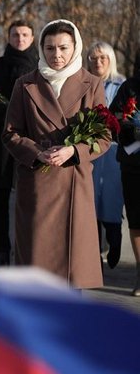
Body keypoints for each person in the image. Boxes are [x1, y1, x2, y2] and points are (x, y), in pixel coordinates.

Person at [2, 20, 109, 289]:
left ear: (75, 47)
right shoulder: (25, 84)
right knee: (37, 277)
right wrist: (38, 153)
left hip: (75, 181)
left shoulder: (92, 84)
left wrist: (74, 150)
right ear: (41, 48)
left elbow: (104, 135)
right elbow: (10, 133)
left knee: (73, 275)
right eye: (49, 48)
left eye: (63, 47)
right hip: (37, 183)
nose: (56, 55)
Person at [0, 20, 39, 266]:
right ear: (9, 37)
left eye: (25, 34)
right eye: (16, 34)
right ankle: (2, 251)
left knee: (32, 201)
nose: (20, 39)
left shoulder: (40, 68)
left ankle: (28, 252)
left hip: (31, 143)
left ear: (33, 38)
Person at [86, 42, 125, 269]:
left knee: (111, 197)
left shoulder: (121, 85)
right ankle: (95, 252)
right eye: (93, 58)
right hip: (90, 148)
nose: (98, 62)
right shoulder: (84, 83)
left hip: (113, 149)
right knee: (90, 199)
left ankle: (115, 237)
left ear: (110, 59)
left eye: (102, 58)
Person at [108, 71, 140, 295]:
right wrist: (134, 128)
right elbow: (113, 118)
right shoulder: (130, 87)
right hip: (134, 162)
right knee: (137, 220)